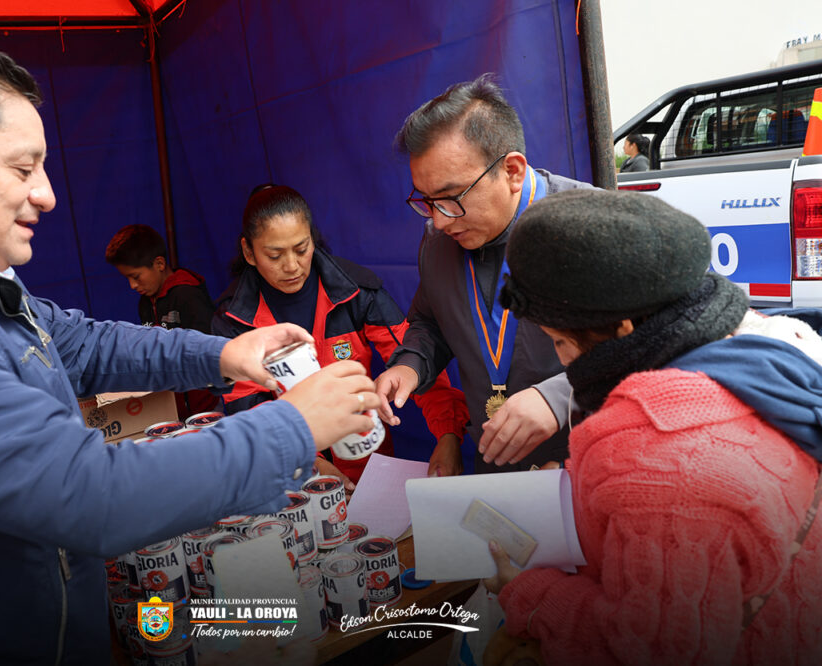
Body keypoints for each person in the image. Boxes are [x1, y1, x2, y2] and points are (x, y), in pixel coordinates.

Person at [0, 38, 382, 665]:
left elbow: (78, 341)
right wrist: (293, 425)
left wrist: (224, 354)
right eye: (24, 169)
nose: (48, 194)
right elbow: (89, 495)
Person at [483, 188, 822, 664]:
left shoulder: (654, 459)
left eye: (559, 342)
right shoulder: (772, 342)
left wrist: (529, 593)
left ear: (624, 330)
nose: (561, 362)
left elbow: (655, 647)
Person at [374, 74, 593, 475]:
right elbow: (430, 319)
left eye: (452, 198)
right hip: (494, 467)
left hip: (583, 465)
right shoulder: (438, 241)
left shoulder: (594, 225)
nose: (438, 221)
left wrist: (559, 396)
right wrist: (409, 364)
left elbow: (662, 344)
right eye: (426, 200)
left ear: (512, 170)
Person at [212, 184, 470, 485]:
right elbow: (247, 407)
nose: (292, 266)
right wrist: (309, 462)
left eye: (301, 248)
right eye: (275, 255)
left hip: (367, 466)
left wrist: (448, 434)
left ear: (313, 239)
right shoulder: (233, 319)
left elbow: (414, 360)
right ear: (249, 252)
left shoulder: (356, 292)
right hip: (292, 474)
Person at [105, 223, 220, 418]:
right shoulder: (145, 303)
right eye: (127, 279)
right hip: (168, 409)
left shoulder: (187, 294)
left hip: (205, 406)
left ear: (159, 264)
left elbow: (210, 347)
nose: (132, 285)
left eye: (136, 276)